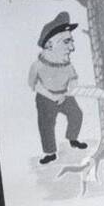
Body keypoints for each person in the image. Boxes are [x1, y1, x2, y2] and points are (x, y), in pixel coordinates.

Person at [28, 12, 88, 165]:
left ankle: (72, 138)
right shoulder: (38, 65)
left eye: (71, 42)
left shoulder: (67, 64)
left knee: (76, 114)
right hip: (45, 98)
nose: (72, 48)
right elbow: (33, 84)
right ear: (50, 44)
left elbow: (74, 79)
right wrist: (50, 96)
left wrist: (67, 94)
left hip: (64, 95)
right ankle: (50, 153)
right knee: (46, 124)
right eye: (67, 42)